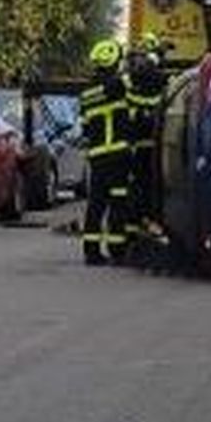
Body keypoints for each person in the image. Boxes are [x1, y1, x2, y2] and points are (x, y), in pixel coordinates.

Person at [80, 38, 132, 266]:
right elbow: (138, 85)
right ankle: (117, 250)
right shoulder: (118, 85)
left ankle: (91, 252)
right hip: (117, 154)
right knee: (118, 202)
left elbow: (85, 126)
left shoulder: (87, 93)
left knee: (96, 203)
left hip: (97, 155)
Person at [124, 32, 169, 271]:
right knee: (151, 192)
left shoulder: (133, 81)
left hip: (135, 147)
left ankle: (134, 237)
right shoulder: (161, 80)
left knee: (137, 192)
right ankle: (151, 232)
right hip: (154, 147)